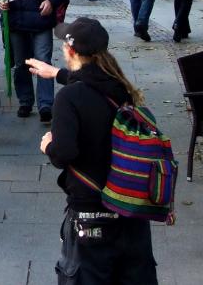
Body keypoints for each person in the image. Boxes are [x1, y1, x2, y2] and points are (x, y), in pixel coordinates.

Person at [27, 17, 157, 285]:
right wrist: (56, 74)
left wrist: (47, 145)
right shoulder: (121, 87)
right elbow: (92, 84)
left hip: (90, 213)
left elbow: (64, 154)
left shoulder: (69, 98)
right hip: (129, 209)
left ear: (71, 51)